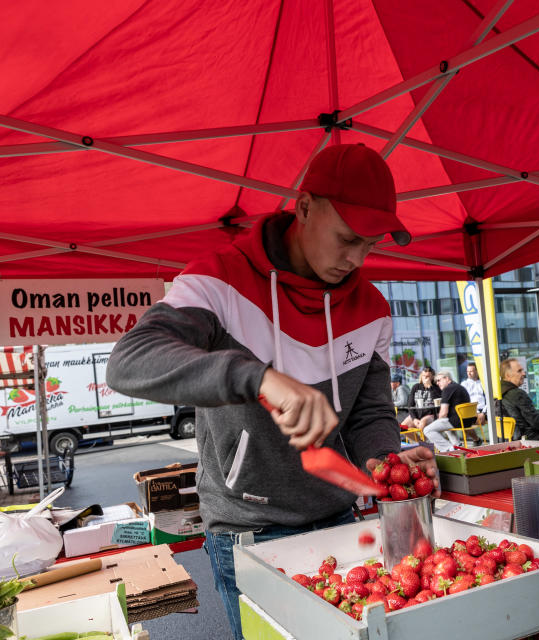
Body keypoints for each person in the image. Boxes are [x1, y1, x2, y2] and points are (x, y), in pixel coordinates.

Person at [105, 143, 441, 640]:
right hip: (249, 531)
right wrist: (257, 376)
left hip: (339, 521)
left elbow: (370, 414)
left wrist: (388, 462)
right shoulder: (216, 281)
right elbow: (129, 361)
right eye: (347, 238)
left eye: (371, 245)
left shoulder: (372, 308)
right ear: (304, 207)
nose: (356, 258)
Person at [421, 371, 474, 451]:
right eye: (436, 381)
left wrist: (437, 422)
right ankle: (457, 445)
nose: (437, 383)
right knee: (444, 424)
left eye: (439, 380)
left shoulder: (447, 389)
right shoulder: (459, 387)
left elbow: (443, 413)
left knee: (427, 430)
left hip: (458, 421)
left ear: (447, 378)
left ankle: (448, 449)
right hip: (468, 420)